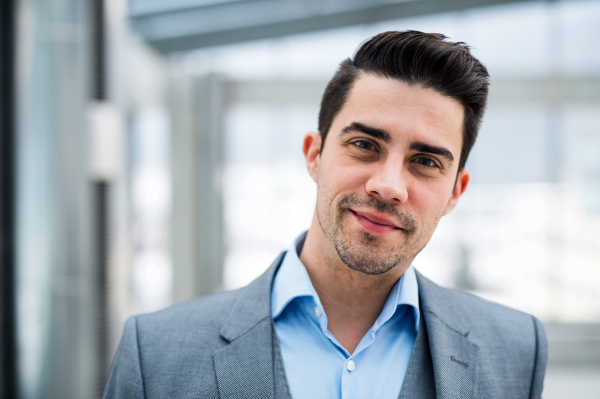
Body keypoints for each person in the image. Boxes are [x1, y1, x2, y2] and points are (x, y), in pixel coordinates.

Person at [104, 31, 547, 399]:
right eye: (365, 145)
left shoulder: (515, 351)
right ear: (314, 155)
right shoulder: (156, 356)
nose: (389, 186)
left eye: (426, 161)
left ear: (455, 192)